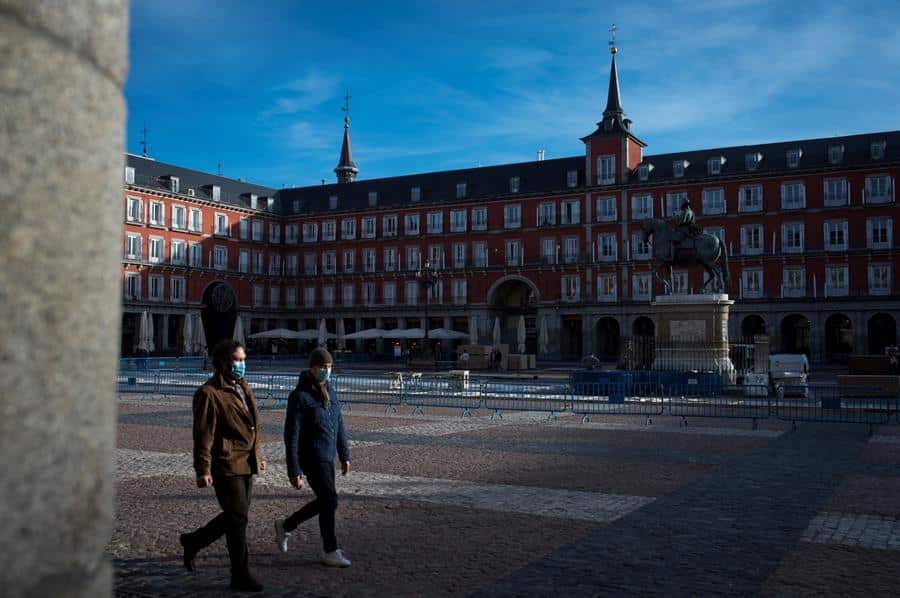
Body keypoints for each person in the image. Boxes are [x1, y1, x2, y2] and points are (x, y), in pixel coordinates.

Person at [179, 339, 265, 593]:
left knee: (236, 518)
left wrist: (257, 455)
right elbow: (203, 434)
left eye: (244, 360)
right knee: (237, 519)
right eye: (238, 360)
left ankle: (194, 541)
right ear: (224, 362)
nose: (242, 364)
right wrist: (202, 469)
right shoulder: (208, 393)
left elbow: (253, 426)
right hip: (226, 463)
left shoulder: (242, 387)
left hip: (246, 461)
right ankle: (240, 574)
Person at [275, 347, 352, 567]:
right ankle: (330, 549)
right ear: (312, 368)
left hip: (327, 457)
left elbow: (339, 425)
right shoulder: (299, 396)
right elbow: (291, 435)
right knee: (329, 500)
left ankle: (287, 526)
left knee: (328, 503)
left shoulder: (331, 391)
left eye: (329, 367)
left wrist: (344, 454)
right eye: (322, 367)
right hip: (311, 457)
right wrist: (294, 469)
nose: (326, 371)